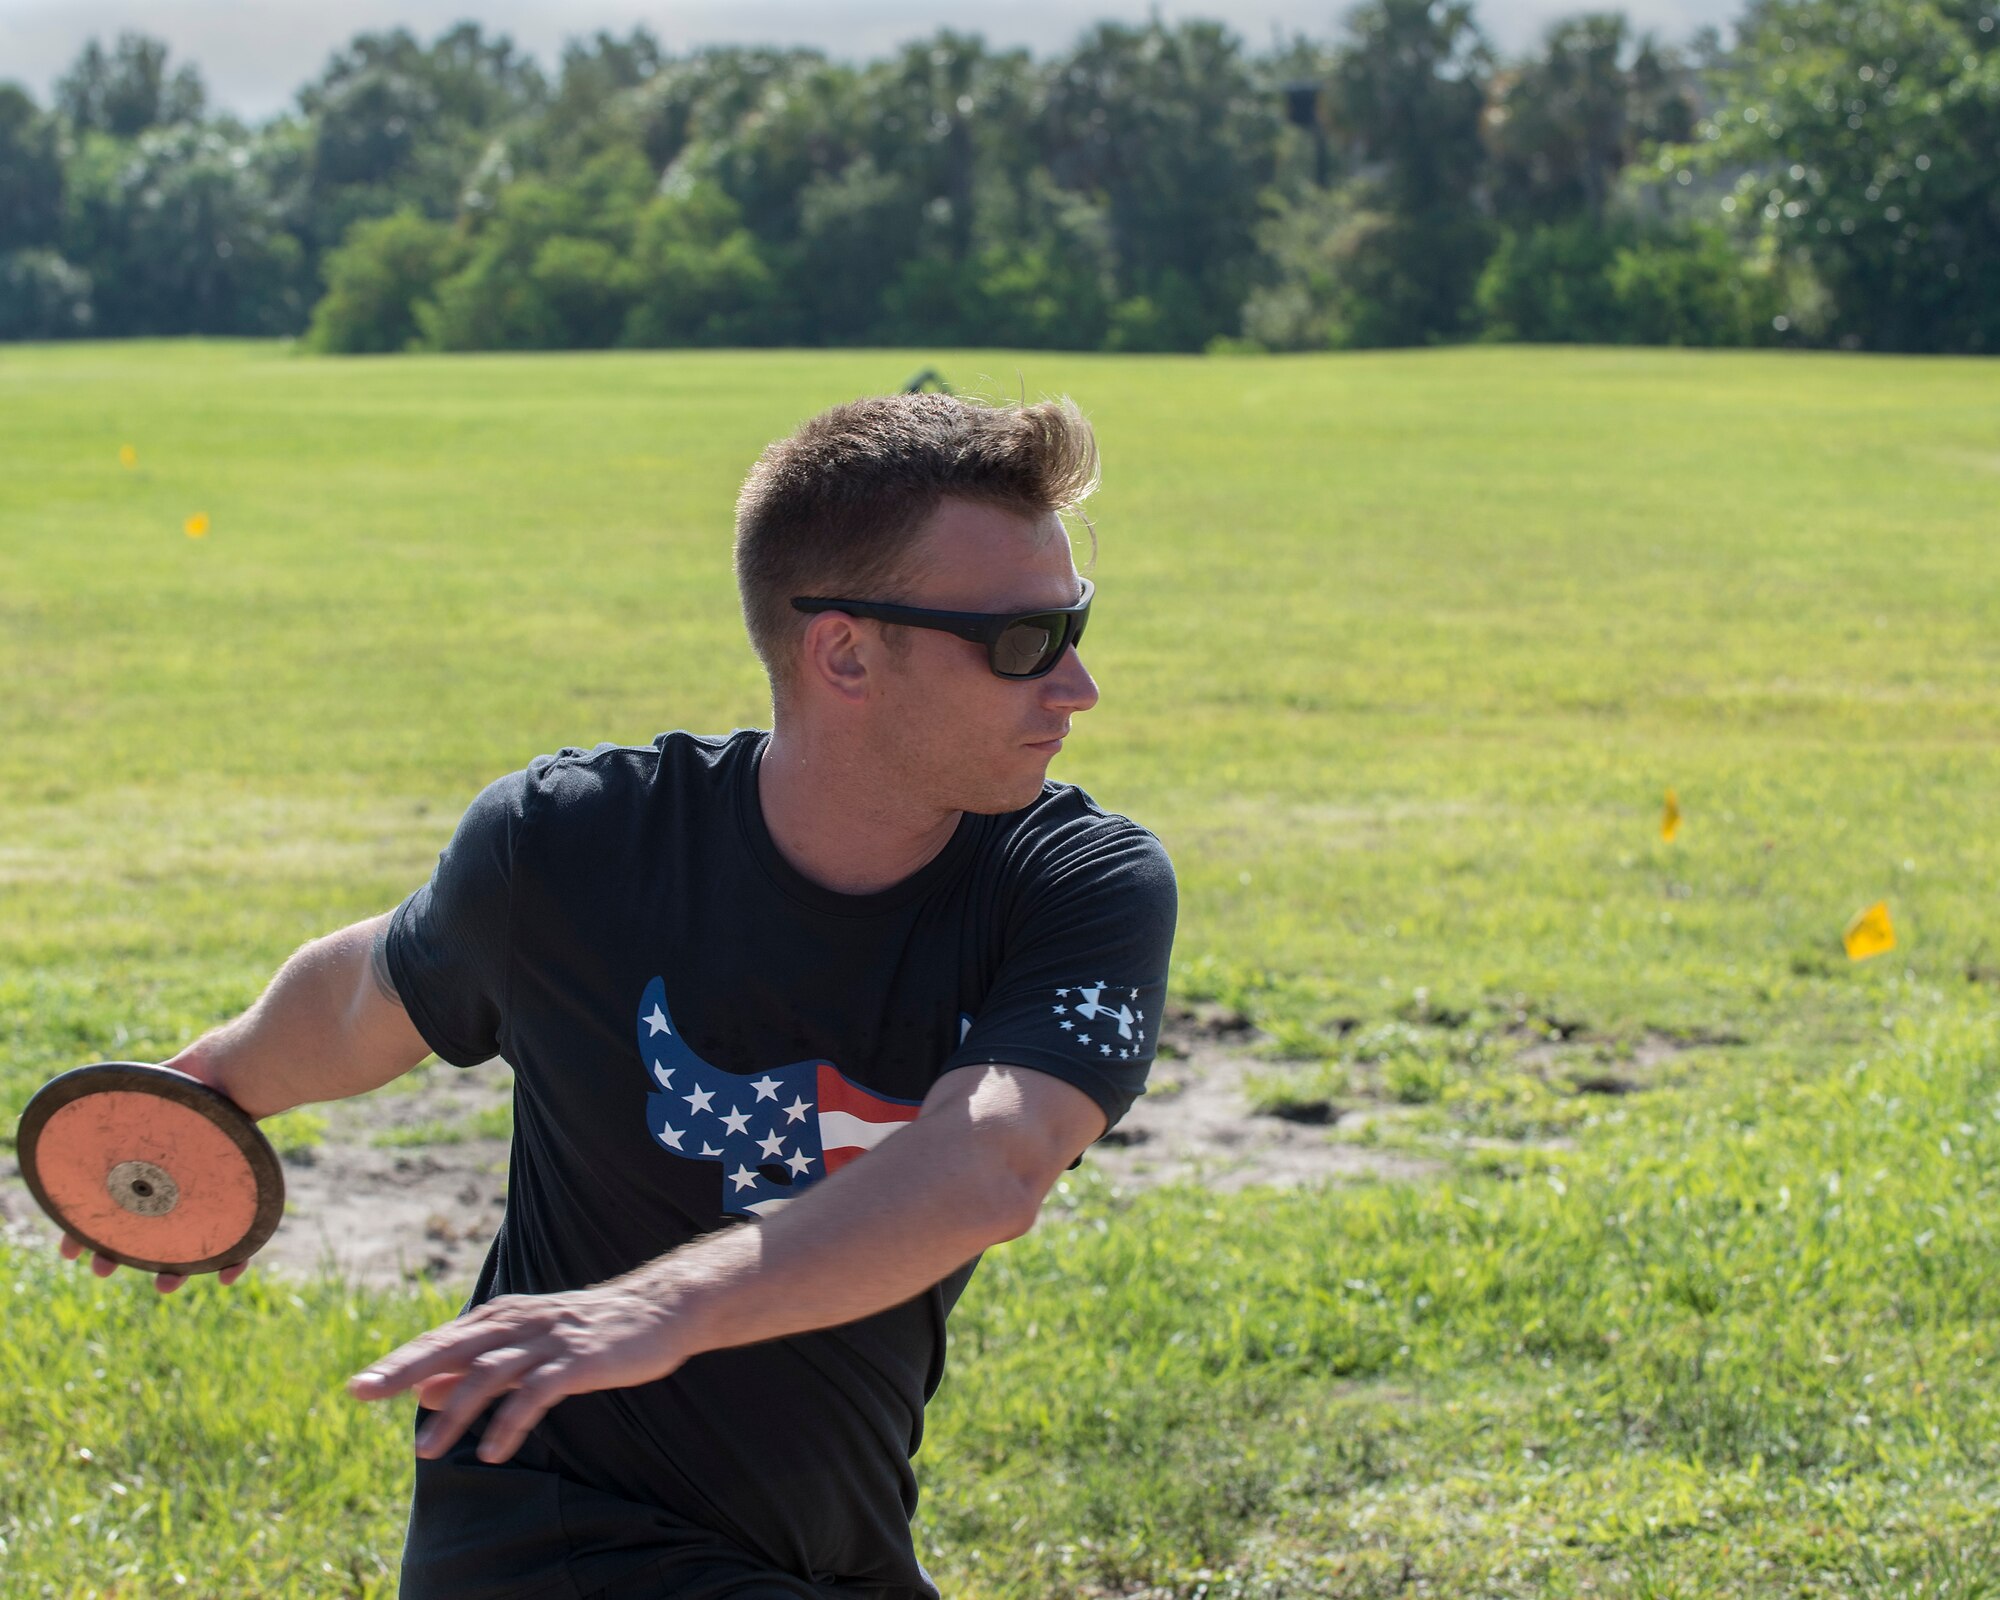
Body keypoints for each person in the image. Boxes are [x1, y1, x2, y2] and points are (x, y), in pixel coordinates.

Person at [61, 392, 1177, 1599]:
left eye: (1071, 624)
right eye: (1020, 641)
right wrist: (209, 1093)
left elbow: (989, 1162)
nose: (1075, 685)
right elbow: (370, 992)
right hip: (545, 1536)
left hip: (833, 1553)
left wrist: (662, 1306)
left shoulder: (1074, 884)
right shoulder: (576, 844)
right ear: (845, 650)